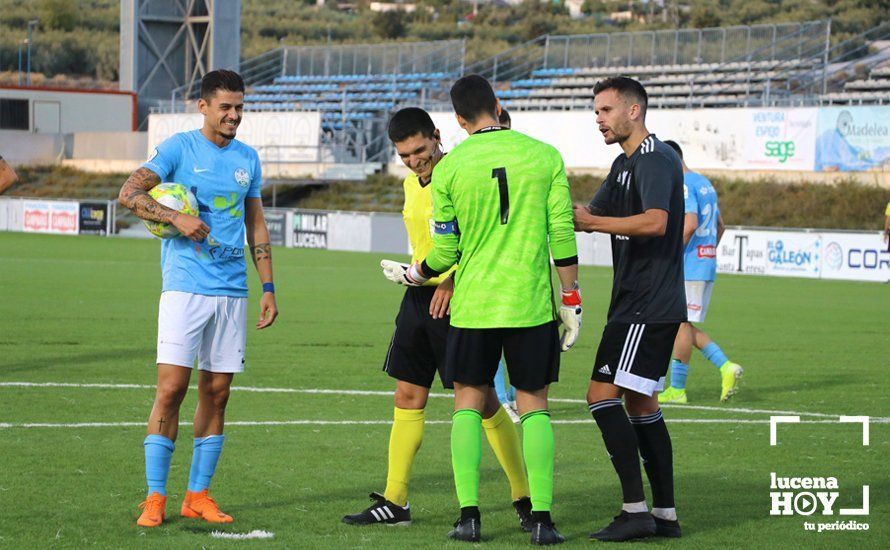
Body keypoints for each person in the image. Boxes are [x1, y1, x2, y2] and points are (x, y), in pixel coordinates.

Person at [382, 75, 582, 545]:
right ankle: (542, 521)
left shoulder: (451, 169)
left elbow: (446, 249)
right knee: (534, 410)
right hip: (530, 304)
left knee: (467, 408)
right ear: (497, 104)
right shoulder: (544, 155)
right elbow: (563, 235)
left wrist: (416, 274)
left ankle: (469, 516)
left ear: (455, 121)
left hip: (473, 307)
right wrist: (571, 300)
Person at [343, 107, 534, 530]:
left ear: (436, 136)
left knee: (482, 402)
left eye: (420, 151)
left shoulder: (461, 176)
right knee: (407, 396)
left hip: (459, 301)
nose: (414, 162)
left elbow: (481, 239)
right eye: (405, 156)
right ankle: (395, 500)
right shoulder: (413, 184)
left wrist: (450, 282)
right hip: (417, 300)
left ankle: (524, 496)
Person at [118, 69, 278, 528]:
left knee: (218, 392)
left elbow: (256, 225)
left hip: (232, 290)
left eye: (240, 107)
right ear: (203, 106)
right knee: (171, 390)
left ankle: (197, 495)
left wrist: (268, 286)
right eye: (225, 107)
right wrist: (175, 217)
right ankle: (154, 498)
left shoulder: (248, 158)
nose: (233, 116)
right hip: (185, 287)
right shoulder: (179, 149)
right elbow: (129, 191)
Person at [573, 76, 684, 542]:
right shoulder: (624, 164)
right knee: (641, 404)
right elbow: (584, 213)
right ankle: (664, 515)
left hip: (644, 305)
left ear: (632, 111)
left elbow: (657, 222)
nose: (598, 118)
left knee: (600, 397)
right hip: (638, 304)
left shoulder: (656, 157)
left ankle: (635, 510)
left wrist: (594, 222)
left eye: (605, 110)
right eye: (596, 111)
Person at [658, 140, 742, 405]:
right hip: (702, 263)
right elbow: (721, 226)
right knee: (680, 324)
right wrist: (707, 252)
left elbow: (690, 224)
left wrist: (672, 256)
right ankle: (726, 366)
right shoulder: (704, 182)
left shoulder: (683, 184)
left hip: (689, 265)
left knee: (680, 325)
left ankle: (678, 390)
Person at [492, 107, 519, 423]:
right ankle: (502, 397)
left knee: (510, 334)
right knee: (498, 334)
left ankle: (509, 396)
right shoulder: (525, 158)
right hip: (499, 260)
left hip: (513, 259)